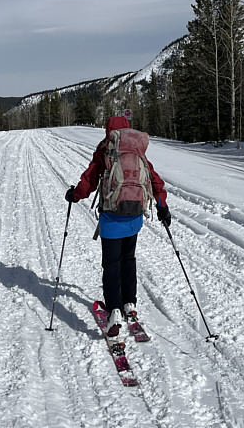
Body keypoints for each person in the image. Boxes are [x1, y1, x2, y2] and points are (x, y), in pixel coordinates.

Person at [65, 115, 171, 336]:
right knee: (128, 259)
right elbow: (154, 180)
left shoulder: (106, 150)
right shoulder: (137, 152)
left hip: (112, 218)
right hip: (134, 217)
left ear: (109, 130)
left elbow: (89, 181)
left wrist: (74, 195)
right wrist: (162, 207)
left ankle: (114, 309)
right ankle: (129, 304)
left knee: (112, 264)